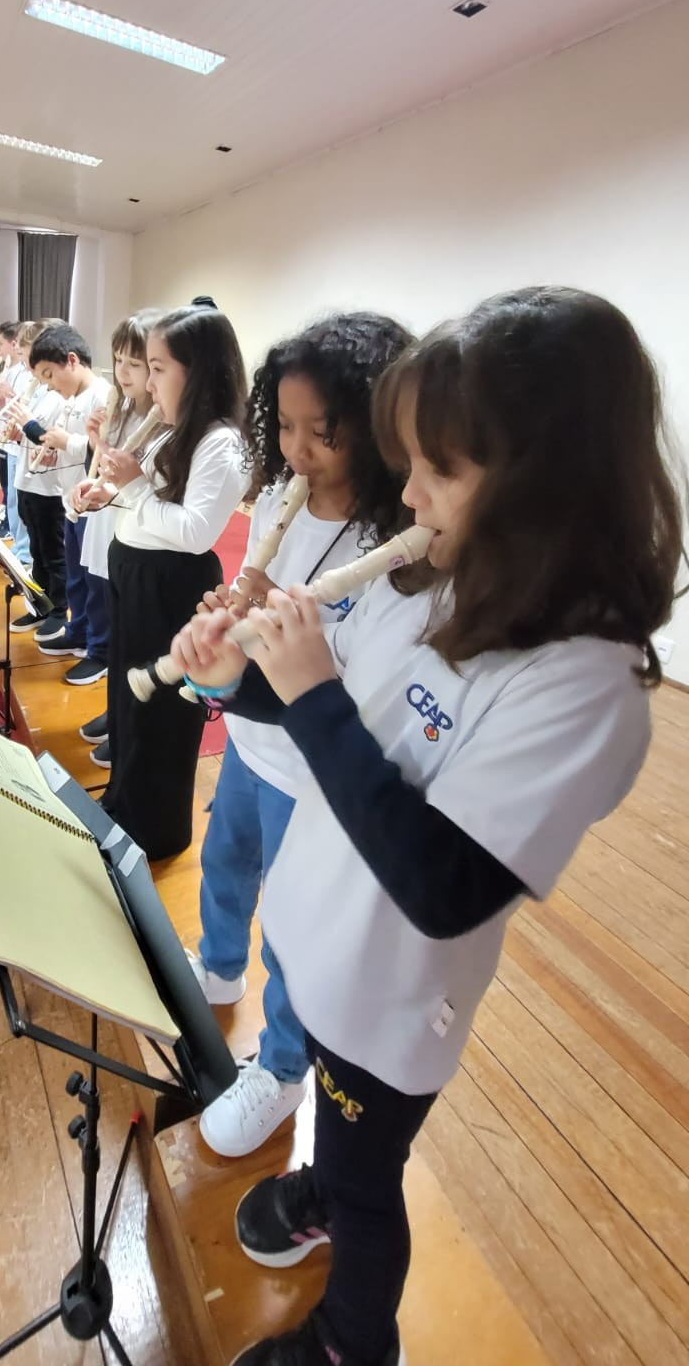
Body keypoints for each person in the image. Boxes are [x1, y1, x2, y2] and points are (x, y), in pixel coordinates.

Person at [171, 286, 689, 1366]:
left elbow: (444, 884)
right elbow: (328, 716)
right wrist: (233, 679)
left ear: (550, 484)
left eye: (438, 467)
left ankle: (351, 1342)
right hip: (321, 947)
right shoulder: (431, 581)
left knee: (370, 1182)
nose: (405, 490)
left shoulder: (586, 687)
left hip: (390, 999)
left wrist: (311, 692)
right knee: (336, 1131)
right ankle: (323, 1181)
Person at [189, 312, 414, 1157]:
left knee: (291, 927)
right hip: (251, 746)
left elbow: (353, 680)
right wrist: (230, 618)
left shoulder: (393, 545)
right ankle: (217, 967)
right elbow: (256, 609)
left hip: (315, 772)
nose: (297, 450)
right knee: (224, 863)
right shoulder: (283, 498)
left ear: (376, 427)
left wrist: (261, 657)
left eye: (322, 433)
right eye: (283, 426)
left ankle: (283, 1067)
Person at [97, 305, 248, 860]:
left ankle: (153, 830)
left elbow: (194, 531)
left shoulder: (220, 441)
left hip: (170, 582)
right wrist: (109, 491)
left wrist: (133, 488)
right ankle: (121, 803)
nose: (148, 382)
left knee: (159, 712)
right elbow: (148, 506)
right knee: (126, 698)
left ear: (198, 370)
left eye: (158, 368)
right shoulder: (171, 428)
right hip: (136, 570)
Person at [68, 310, 160, 756]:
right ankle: (114, 709)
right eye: (119, 360)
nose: (123, 372)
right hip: (108, 523)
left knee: (130, 638)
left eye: (135, 364)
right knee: (109, 616)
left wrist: (108, 458)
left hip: (134, 530)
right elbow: (108, 469)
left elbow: (140, 483)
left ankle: (126, 721)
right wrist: (97, 443)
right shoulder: (121, 409)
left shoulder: (162, 420)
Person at [26, 324, 111, 672]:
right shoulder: (72, 398)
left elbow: (103, 451)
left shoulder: (102, 396)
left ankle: (100, 648)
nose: (49, 385)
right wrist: (54, 451)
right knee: (76, 576)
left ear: (72, 360)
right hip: (71, 501)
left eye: (50, 374)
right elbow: (75, 448)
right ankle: (78, 631)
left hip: (95, 505)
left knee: (95, 582)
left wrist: (67, 443)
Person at [8, 320, 69, 636]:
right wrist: (17, 429)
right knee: (37, 551)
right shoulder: (40, 390)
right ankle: (40, 606)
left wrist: (26, 424)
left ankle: (59, 610)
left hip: (48, 487)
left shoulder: (60, 395)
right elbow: (31, 433)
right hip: (27, 480)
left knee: (53, 553)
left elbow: (51, 438)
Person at [0, 322, 31, 565]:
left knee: (20, 501)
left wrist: (9, 394)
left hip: (22, 445)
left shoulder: (28, 375)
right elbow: (2, 407)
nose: (16, 348)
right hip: (10, 441)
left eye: (21, 344)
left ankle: (25, 551)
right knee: (12, 497)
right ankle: (19, 544)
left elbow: (25, 410)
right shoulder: (14, 370)